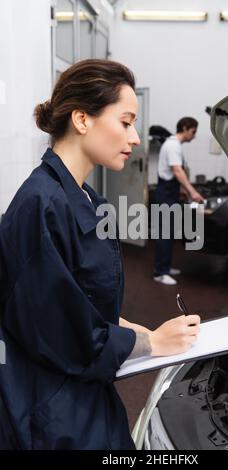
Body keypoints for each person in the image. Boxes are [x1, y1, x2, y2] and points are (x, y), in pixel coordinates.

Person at [0, 59, 200, 450]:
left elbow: (85, 306)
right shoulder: (41, 206)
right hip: (53, 412)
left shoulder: (87, 199)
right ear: (82, 119)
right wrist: (154, 343)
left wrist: (144, 332)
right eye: (126, 122)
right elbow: (70, 337)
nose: (136, 137)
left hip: (86, 394)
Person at [153, 117, 205, 285]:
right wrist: (193, 192)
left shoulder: (173, 144)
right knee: (164, 234)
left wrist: (181, 191)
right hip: (165, 194)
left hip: (170, 193)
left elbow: (175, 172)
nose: (194, 136)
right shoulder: (173, 145)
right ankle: (160, 273)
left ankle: (165, 268)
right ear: (185, 128)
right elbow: (177, 171)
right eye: (193, 131)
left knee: (169, 233)